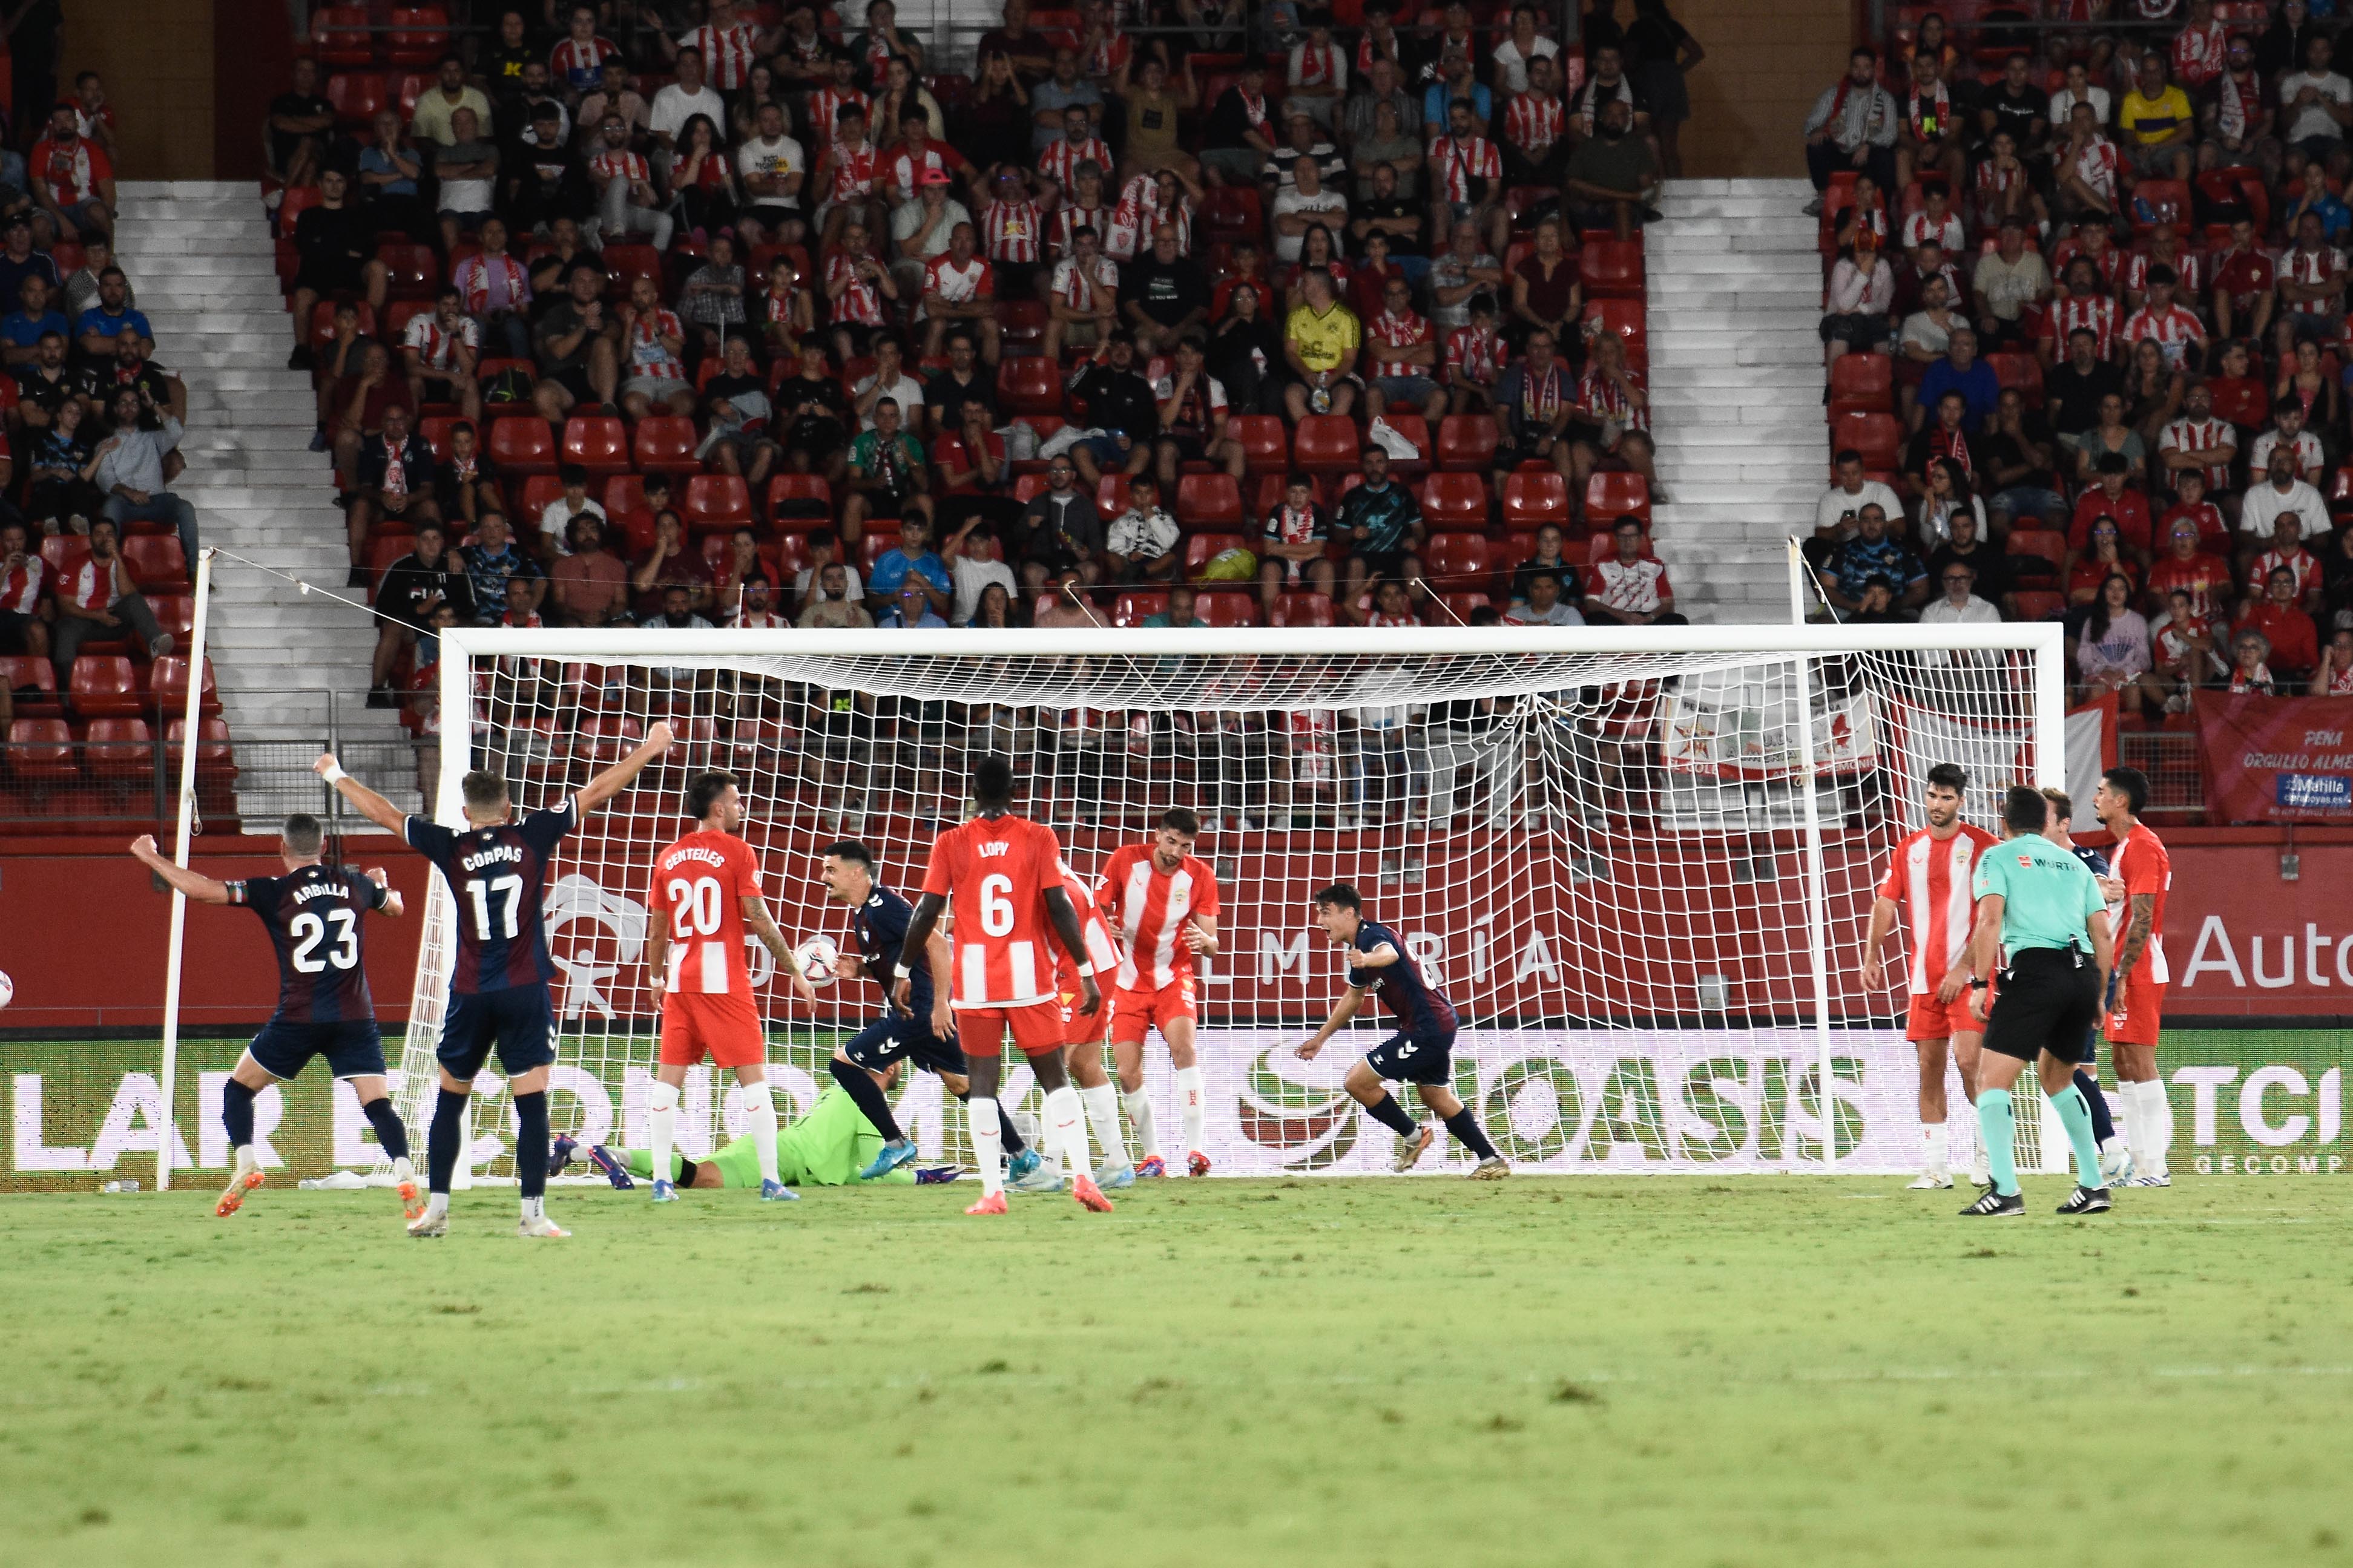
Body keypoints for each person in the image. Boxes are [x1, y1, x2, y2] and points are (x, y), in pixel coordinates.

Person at [315, 724, 675, 1238]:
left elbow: (387, 816)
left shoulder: (450, 844)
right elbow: (597, 789)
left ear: (465, 812)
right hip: (524, 988)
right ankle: (532, 1214)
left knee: (450, 1098)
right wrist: (650, 747)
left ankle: (436, 1209)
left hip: (469, 991)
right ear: (508, 809)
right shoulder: (532, 832)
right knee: (532, 1103)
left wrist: (337, 775)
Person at [127, 820, 415, 1222]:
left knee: (238, 1090)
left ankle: (246, 1161)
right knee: (378, 1103)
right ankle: (404, 1170)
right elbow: (396, 907)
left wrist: (150, 856)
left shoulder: (273, 890)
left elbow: (201, 890)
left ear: (282, 847)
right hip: (354, 1017)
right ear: (324, 845)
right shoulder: (354, 884)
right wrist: (380, 882)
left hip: (298, 1017)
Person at [891, 754, 1114, 1215]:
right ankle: (1085, 1179)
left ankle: (993, 1191)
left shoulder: (951, 841)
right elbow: (1059, 906)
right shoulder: (1038, 836)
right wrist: (1085, 969)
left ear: (973, 793)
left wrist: (901, 970)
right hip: (1030, 978)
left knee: (983, 1085)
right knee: (1055, 1080)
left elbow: (926, 911)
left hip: (975, 983)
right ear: (1015, 793)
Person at [639, 772, 818, 1206]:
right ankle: (771, 1180)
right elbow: (757, 916)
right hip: (724, 982)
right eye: (737, 802)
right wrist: (793, 967)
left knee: (668, 1082)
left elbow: (658, 927)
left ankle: (662, 1181)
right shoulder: (738, 851)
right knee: (753, 1080)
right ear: (717, 808)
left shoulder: (668, 857)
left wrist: (655, 977)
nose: (742, 808)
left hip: (681, 980)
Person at [1956, 785, 2116, 1218]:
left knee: (1990, 1082)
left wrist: (1978, 982)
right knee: (2058, 1079)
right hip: (2082, 975)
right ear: (2046, 822)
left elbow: (1990, 919)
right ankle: (2093, 1184)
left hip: (2036, 971)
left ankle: (2005, 1190)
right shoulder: (2073, 863)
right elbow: (2101, 932)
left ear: (2003, 821)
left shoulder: (1996, 856)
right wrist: (2099, 994)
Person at [1294, 882, 1507, 1178]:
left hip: (1427, 1027)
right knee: (1436, 1097)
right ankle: (1491, 1160)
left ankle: (1413, 1135)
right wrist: (1320, 1039)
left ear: (1350, 913)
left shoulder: (1373, 937)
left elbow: (1390, 954)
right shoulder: (1360, 948)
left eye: (1326, 913)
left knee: (1357, 1082)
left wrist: (1368, 959)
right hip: (1435, 1024)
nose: (1320, 922)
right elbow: (1353, 999)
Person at [1861, 763, 2001, 1190]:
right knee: (1928, 1068)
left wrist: (1964, 968)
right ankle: (1936, 1168)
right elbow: (1884, 902)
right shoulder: (1908, 849)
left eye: (1945, 797)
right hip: (1923, 979)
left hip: (1971, 977)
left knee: (1969, 1061)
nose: (1937, 804)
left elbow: (1995, 914)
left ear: (1960, 801)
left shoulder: (1983, 847)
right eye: (1932, 796)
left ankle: (1988, 1157)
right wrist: (1871, 953)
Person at [1088, 809, 1221, 1179]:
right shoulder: (1125, 860)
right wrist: (1106, 927)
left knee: (1185, 1050)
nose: (1176, 851)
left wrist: (1205, 940)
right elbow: (1095, 912)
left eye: (1185, 845)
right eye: (1171, 841)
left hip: (1172, 978)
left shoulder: (1200, 876)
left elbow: (1211, 944)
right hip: (1126, 982)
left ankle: (1197, 1151)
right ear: (1158, 835)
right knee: (1128, 1073)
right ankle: (1153, 1157)